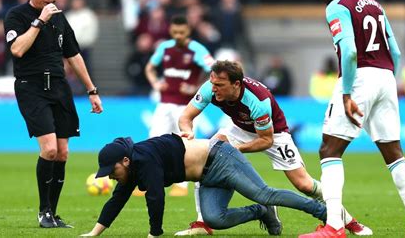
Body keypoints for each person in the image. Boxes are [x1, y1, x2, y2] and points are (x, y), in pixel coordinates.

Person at [176, 60, 371, 236]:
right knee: (205, 158)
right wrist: (187, 132)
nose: (214, 89)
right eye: (213, 84)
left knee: (304, 184)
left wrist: (236, 149)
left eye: (219, 85)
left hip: (274, 134)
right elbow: (185, 118)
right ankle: (202, 223)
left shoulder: (258, 101)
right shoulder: (210, 87)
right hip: (239, 128)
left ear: (236, 84)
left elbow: (266, 140)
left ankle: (349, 221)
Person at [301, 0, 405, 237]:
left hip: (358, 77)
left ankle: (334, 226)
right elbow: (397, 52)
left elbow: (348, 52)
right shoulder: (373, 3)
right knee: (394, 153)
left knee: (329, 150)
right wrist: (386, 84)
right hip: (385, 77)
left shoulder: (336, 6)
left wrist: (348, 93)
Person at [3, 0, 103, 229]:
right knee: (49, 149)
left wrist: (91, 90)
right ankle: (43, 211)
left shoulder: (59, 17)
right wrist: (39, 21)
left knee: (62, 153)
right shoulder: (17, 16)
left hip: (59, 87)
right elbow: (17, 49)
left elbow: (73, 55)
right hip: (31, 87)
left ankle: (53, 214)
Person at [80, 134, 328, 237]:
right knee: (214, 219)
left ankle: (324, 211)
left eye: (111, 171)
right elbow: (117, 199)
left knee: (264, 192)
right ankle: (260, 211)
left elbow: (155, 197)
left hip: (222, 158)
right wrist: (94, 233)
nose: (110, 177)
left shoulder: (143, 159)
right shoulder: (130, 168)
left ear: (124, 161)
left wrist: (154, 233)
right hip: (206, 177)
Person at [144, 14, 214, 196]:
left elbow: (214, 70)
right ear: (170, 31)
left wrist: (196, 87)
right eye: (174, 32)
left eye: (181, 32)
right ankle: (149, 181)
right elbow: (149, 68)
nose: (178, 36)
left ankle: (182, 185)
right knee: (153, 141)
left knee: (184, 144)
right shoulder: (165, 48)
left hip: (186, 107)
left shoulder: (198, 50)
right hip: (164, 103)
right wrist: (155, 83)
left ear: (188, 31)